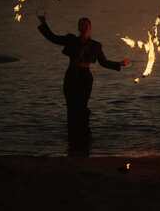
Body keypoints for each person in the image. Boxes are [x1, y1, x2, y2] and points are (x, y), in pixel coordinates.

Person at [37, 15, 129, 156]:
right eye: (81, 24)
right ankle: (73, 140)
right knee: (71, 108)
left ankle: (84, 138)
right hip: (71, 76)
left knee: (82, 107)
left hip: (85, 78)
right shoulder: (71, 40)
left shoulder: (96, 45)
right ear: (79, 27)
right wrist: (44, 23)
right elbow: (53, 38)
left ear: (90, 28)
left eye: (86, 25)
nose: (84, 27)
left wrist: (120, 64)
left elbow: (103, 62)